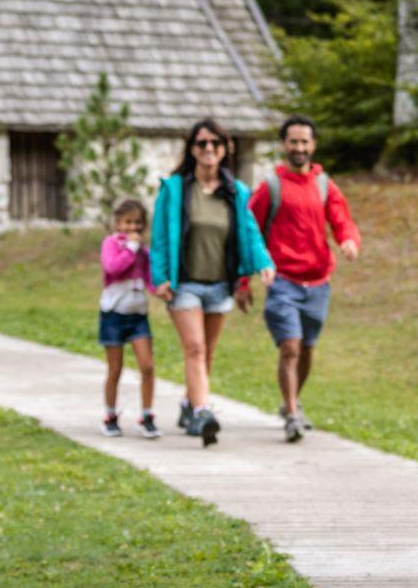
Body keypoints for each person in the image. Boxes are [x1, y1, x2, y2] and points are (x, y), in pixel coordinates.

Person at [148, 119, 275, 446]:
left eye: (215, 144)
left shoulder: (234, 191)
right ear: (192, 149)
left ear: (224, 149)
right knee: (195, 347)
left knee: (207, 353)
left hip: (220, 284)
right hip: (184, 284)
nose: (208, 149)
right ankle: (204, 412)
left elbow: (249, 231)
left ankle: (189, 404)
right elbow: (160, 237)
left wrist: (263, 263)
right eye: (202, 143)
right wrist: (159, 278)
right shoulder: (174, 189)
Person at [247, 115, 360, 442]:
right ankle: (293, 413)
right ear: (285, 145)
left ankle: (291, 401)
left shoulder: (324, 185)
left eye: (304, 142)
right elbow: (249, 231)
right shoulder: (271, 187)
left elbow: (342, 220)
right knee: (291, 348)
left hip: (318, 282)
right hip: (282, 280)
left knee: (307, 349)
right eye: (293, 142)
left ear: (313, 145)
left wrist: (349, 240)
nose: (299, 148)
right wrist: (245, 278)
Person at [97, 197, 158, 438]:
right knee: (115, 369)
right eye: (128, 222)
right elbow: (113, 268)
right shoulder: (111, 244)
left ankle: (146, 414)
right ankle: (110, 414)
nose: (133, 228)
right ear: (117, 223)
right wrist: (130, 248)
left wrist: (161, 290)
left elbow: (148, 278)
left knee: (147, 366)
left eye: (138, 223)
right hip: (113, 314)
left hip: (137, 315)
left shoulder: (143, 251)